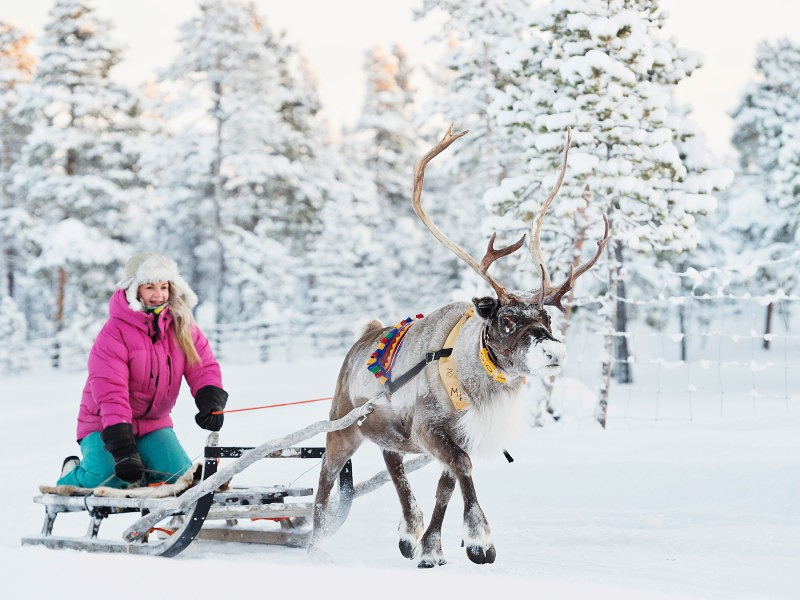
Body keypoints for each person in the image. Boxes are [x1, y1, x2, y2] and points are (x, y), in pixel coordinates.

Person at [57, 253, 228, 489]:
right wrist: (122, 446)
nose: (159, 295)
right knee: (105, 479)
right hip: (105, 424)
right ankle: (72, 474)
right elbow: (111, 392)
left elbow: (203, 365)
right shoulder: (114, 333)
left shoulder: (181, 325)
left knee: (182, 481)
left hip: (152, 424)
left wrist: (210, 399)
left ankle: (143, 472)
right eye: (150, 287)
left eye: (164, 286)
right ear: (134, 290)